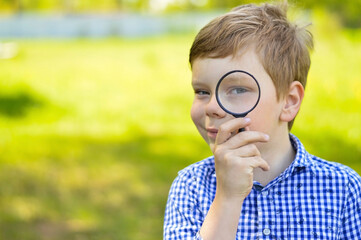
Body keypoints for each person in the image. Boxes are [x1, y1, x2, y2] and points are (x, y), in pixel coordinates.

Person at [163, 2, 361, 240]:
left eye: (237, 90)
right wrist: (226, 198)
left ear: (288, 102)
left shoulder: (344, 189)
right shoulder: (190, 188)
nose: (212, 107)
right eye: (202, 91)